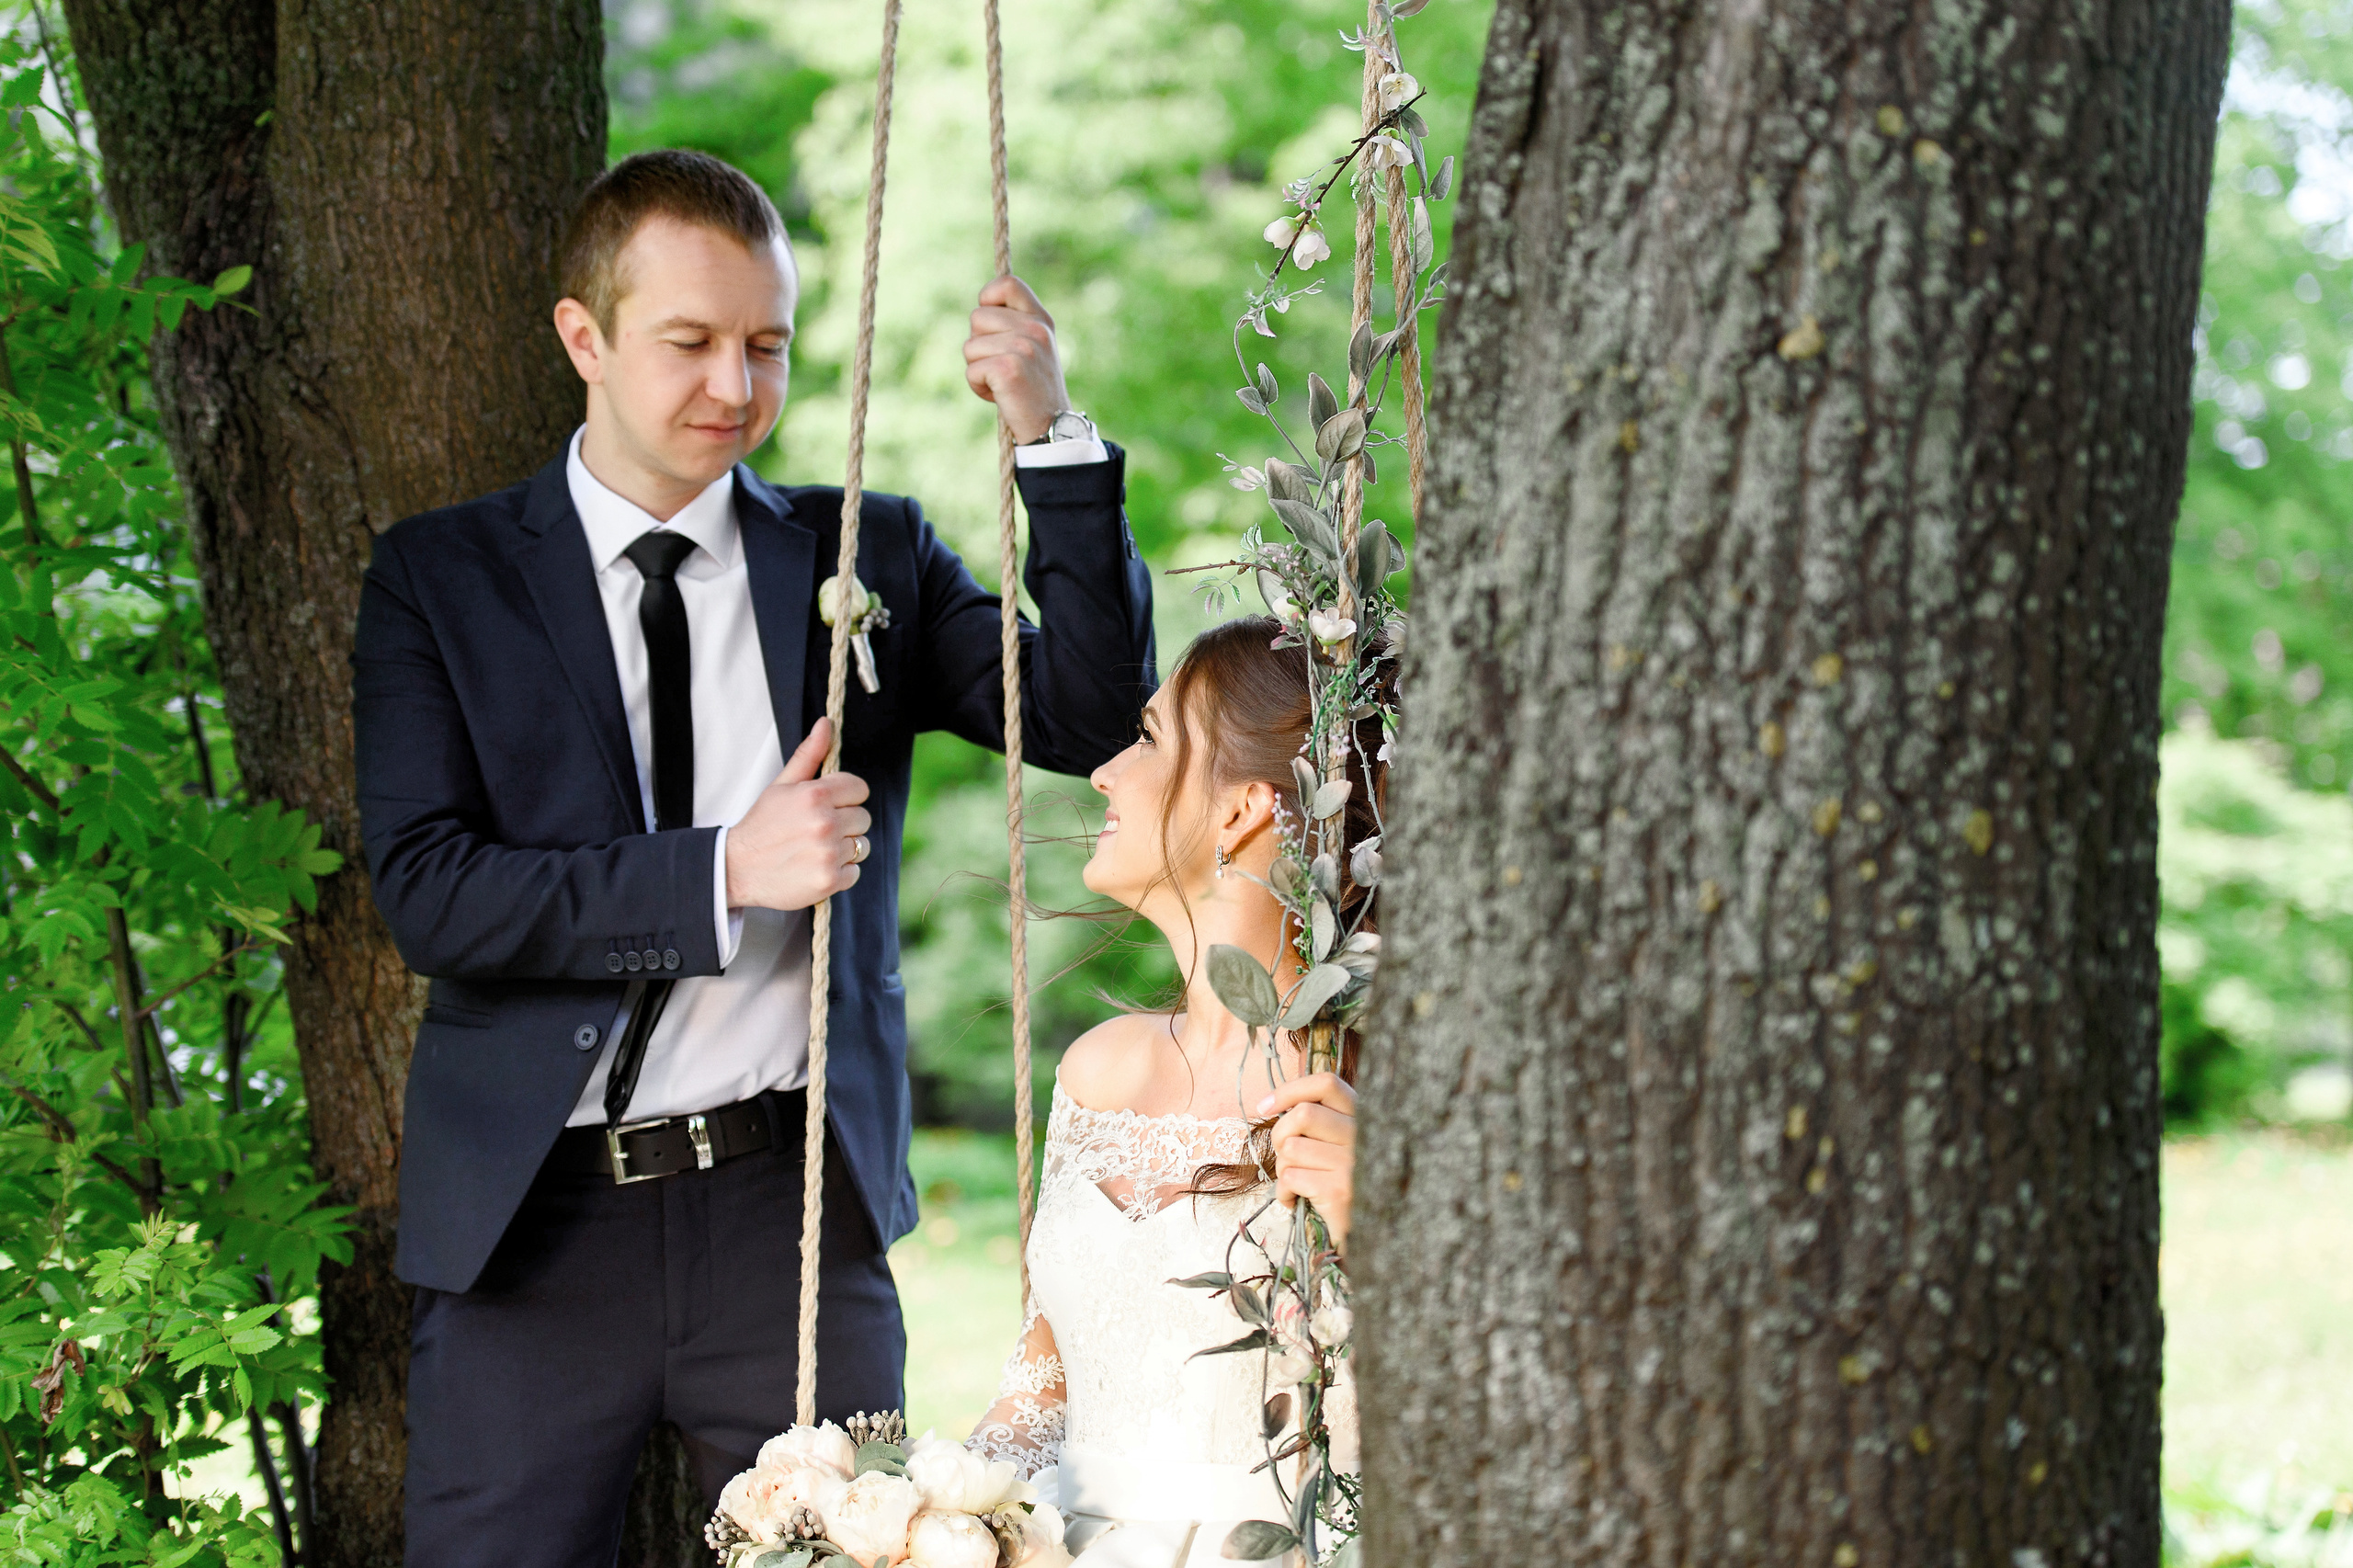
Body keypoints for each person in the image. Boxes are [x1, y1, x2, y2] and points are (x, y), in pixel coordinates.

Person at [351, 148, 1155, 1566]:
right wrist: (725, 868)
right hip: (532, 1228)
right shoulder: (440, 576)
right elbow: (430, 892)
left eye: (767, 344)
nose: (736, 384)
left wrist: (1049, 434)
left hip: (791, 1211)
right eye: (692, 342)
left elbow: (1090, 715)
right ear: (583, 337)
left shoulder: (871, 555)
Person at [966, 615, 1377, 1568]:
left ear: (1242, 809)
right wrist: (926, 1518)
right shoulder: (1099, 1068)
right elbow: (1041, 1388)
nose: (1106, 770)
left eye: (1148, 736)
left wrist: (1374, 1221)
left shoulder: (1373, 1098)